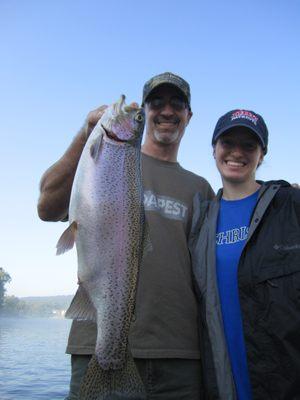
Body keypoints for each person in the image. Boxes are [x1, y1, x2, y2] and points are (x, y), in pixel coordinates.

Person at [37, 72, 215, 400]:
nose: (166, 110)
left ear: (189, 116)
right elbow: (47, 207)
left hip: (179, 355)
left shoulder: (201, 188)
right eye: (156, 102)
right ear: (145, 111)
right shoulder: (101, 161)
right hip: (97, 345)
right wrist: (86, 133)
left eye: (177, 104)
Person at [190, 109, 300, 399]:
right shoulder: (199, 221)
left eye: (249, 145)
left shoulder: (291, 206)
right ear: (214, 149)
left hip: (284, 383)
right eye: (228, 143)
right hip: (220, 383)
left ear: (262, 155)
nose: (237, 152)